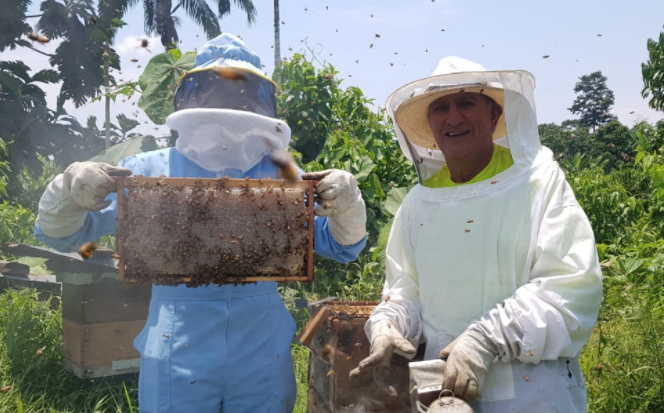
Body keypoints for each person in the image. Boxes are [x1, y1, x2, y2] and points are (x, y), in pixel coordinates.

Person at [35, 34, 367, 413]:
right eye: (216, 88)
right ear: (192, 95)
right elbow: (61, 235)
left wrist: (348, 204)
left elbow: (342, 247)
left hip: (262, 345)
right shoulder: (148, 171)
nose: (229, 100)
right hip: (179, 342)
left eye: (240, 90)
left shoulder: (283, 174)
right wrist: (68, 190)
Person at [350, 57, 603, 412]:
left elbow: (569, 289)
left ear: (494, 115)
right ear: (430, 124)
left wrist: (485, 339)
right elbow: (406, 290)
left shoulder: (538, 182)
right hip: (443, 395)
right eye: (440, 108)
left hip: (535, 397)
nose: (453, 117)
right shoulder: (418, 203)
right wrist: (387, 322)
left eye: (466, 102)